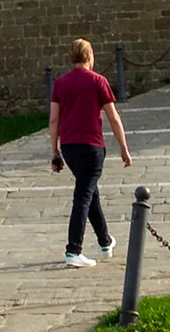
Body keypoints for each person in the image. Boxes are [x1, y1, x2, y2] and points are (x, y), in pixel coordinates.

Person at [49, 37, 131, 267]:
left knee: (89, 191)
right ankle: (73, 250)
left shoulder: (60, 83)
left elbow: (54, 119)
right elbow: (113, 117)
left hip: (70, 148)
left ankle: (106, 242)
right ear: (89, 56)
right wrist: (123, 148)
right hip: (92, 146)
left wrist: (54, 151)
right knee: (83, 196)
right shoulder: (98, 81)